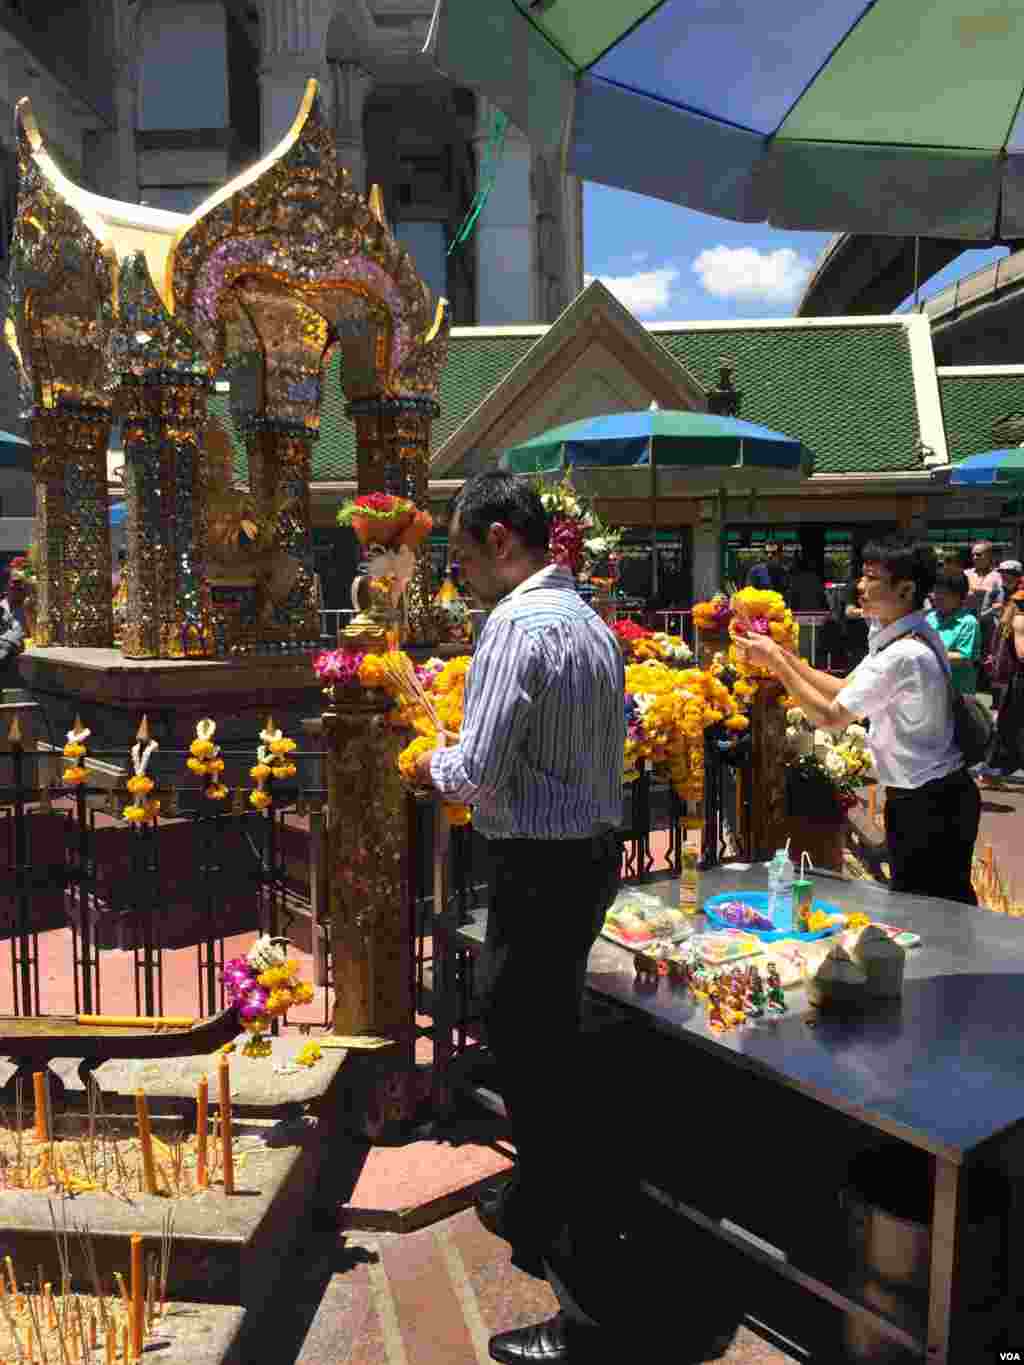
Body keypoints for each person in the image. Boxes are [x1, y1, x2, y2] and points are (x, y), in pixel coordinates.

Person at [413, 472, 626, 1364]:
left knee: (541, 1074)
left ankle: (589, 1312)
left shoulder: (514, 626)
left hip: (536, 866)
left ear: (502, 540)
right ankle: (533, 1201)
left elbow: (478, 775)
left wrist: (427, 759)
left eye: (463, 560)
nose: (462, 579)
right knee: (540, 1034)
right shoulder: (590, 623)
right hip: (585, 856)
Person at [736, 537, 980, 905]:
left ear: (906, 589)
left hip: (931, 805)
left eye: (871, 578)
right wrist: (783, 656)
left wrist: (776, 663)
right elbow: (842, 688)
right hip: (927, 797)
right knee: (934, 908)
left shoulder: (905, 653)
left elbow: (832, 717)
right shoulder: (900, 637)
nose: (860, 587)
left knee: (935, 914)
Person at [979, 587, 1024, 780]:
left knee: (1009, 723)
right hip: (1018, 679)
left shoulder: (1011, 619)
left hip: (1013, 681)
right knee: (1011, 725)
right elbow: (1022, 654)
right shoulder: (1021, 620)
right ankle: (995, 766)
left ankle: (995, 766)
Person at [926, 569, 981, 695]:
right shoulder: (929, 617)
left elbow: (963, 657)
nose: (937, 597)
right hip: (933, 689)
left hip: (958, 692)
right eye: (936, 591)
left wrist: (927, 653)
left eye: (943, 593)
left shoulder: (968, 622)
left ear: (959, 597)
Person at [0, 569, 25, 685]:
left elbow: (19, 632)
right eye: (13, 587)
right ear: (6, 588)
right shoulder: (1, 606)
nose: (16, 591)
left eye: (19, 588)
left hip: (11, 649)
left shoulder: (26, 608)